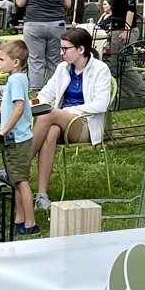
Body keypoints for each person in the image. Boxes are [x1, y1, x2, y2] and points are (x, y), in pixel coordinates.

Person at [30, 27, 114, 215]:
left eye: (65, 49)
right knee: (50, 130)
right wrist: (32, 104)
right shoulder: (63, 68)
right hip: (61, 121)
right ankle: (41, 196)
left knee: (49, 114)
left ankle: (19, 164)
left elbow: (101, 105)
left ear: (81, 49)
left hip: (85, 123)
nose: (61, 53)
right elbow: (46, 93)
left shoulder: (100, 69)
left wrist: (68, 111)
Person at [0, 39, 38, 232]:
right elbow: (10, 107)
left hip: (17, 139)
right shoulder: (17, 79)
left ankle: (31, 223)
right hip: (16, 138)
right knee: (15, 181)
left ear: (15, 62)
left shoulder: (15, 80)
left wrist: (3, 130)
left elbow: (19, 108)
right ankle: (19, 219)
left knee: (21, 181)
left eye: (1, 59)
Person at [16, 0, 71, 87]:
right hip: (56, 24)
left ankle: (37, 94)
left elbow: (20, 2)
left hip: (34, 23)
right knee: (55, 60)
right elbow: (67, 4)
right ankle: (55, 93)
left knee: (35, 60)